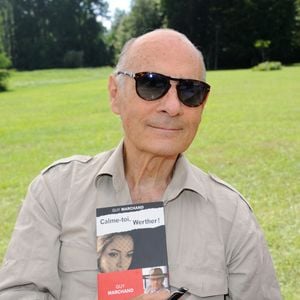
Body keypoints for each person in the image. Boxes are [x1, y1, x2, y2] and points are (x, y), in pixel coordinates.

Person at [0, 28, 281, 300]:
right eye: (151, 83)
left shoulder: (231, 215)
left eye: (190, 90)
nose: (173, 106)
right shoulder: (56, 192)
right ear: (114, 94)